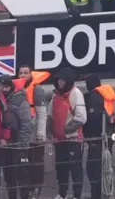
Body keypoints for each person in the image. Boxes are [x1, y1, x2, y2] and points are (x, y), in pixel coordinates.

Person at [48, 68, 87, 199]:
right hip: (58, 141)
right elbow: (50, 116)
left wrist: (65, 130)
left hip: (73, 140)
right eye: (58, 80)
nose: (60, 82)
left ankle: (77, 195)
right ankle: (61, 194)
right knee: (61, 169)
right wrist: (50, 132)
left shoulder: (76, 93)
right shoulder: (55, 96)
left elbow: (81, 117)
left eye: (62, 80)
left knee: (75, 169)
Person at [83, 74, 115, 199]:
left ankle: (96, 196)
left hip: (96, 141)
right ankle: (106, 194)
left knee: (93, 172)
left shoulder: (93, 98)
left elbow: (93, 120)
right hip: (108, 140)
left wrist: (87, 137)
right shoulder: (106, 96)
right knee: (105, 170)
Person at [18, 65, 48, 198]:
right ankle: (26, 193)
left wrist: (40, 134)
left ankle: (36, 191)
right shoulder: (17, 90)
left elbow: (42, 113)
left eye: (25, 73)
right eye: (20, 73)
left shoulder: (37, 89)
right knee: (24, 166)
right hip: (22, 136)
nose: (23, 75)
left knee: (36, 165)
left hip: (35, 135)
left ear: (31, 74)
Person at [1, 76, 33, 199]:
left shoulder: (20, 100)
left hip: (18, 144)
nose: (4, 89)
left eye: (6, 86)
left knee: (22, 174)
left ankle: (25, 196)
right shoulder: (0, 100)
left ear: (11, 87)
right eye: (2, 86)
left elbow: (26, 124)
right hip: (6, 144)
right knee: (9, 175)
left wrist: (23, 145)